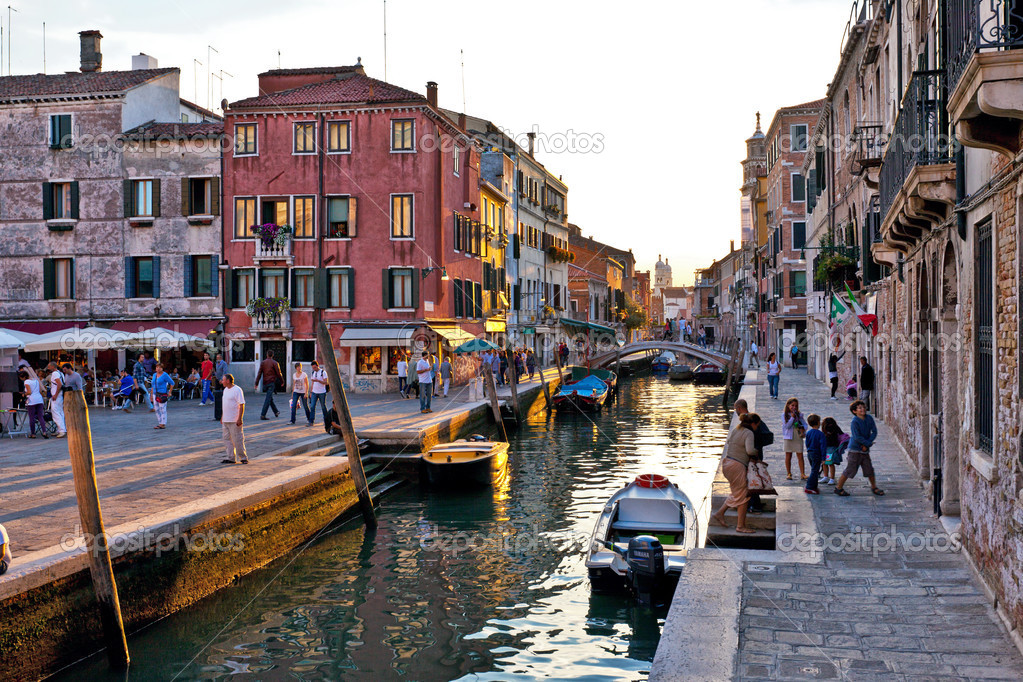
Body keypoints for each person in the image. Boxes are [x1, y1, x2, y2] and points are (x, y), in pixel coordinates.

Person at [709, 413, 761, 534]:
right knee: (744, 496)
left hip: (727, 464)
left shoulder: (736, 429)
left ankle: (720, 513)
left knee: (737, 492)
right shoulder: (749, 433)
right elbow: (749, 450)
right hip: (737, 466)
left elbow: (728, 443)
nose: (757, 427)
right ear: (753, 424)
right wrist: (756, 451)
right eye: (757, 425)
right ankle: (740, 526)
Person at [834, 400, 884, 497]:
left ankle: (874, 487)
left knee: (869, 468)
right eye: (860, 408)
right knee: (850, 469)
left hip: (865, 449)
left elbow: (874, 432)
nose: (863, 409)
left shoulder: (869, 418)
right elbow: (857, 437)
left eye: (863, 407)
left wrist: (867, 444)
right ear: (854, 411)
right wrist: (866, 444)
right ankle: (838, 488)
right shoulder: (855, 422)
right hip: (855, 450)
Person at [734, 398, 773, 514]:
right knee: (753, 479)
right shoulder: (753, 418)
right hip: (756, 453)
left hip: (750, 455)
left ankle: (754, 505)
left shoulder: (746, 421)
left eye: (735, 408)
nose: (735, 410)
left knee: (751, 480)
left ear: (739, 408)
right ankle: (753, 503)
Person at [220, 373, 248, 464]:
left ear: (228, 381)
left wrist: (240, 418)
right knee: (226, 439)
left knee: (237, 439)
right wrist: (222, 416)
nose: (222, 382)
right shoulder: (225, 390)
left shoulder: (237, 390)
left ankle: (243, 457)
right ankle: (231, 457)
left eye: (223, 380)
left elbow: (241, 404)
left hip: (234, 419)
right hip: (226, 419)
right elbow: (225, 405)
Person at [782, 397, 809, 480]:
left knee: (800, 455)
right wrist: (792, 418)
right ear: (788, 405)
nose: (794, 407)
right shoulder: (784, 415)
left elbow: (805, 424)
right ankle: (789, 473)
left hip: (797, 436)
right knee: (788, 455)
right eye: (792, 405)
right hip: (788, 436)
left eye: (796, 406)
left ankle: (802, 473)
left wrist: (803, 428)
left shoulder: (800, 415)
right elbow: (787, 426)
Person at [255, 350, 283, 419]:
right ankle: (263, 415)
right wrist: (282, 381)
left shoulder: (263, 363)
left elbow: (259, 373)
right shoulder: (275, 363)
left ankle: (276, 411)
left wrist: (256, 383)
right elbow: (279, 373)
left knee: (269, 398)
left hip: (265, 383)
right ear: (272, 355)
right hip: (271, 382)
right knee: (268, 399)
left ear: (267, 355)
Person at [20, 369, 47, 439]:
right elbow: (39, 390)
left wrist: (24, 394)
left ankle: (33, 433)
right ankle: (44, 431)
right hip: (39, 399)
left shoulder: (26, 382)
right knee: (40, 416)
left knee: (32, 417)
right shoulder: (35, 380)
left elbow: (29, 392)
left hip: (32, 401)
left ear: (23, 377)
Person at [803, 414, 826, 494]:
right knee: (815, 471)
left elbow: (807, 443)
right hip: (817, 453)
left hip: (810, 453)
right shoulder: (820, 434)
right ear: (818, 423)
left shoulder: (809, 433)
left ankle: (814, 486)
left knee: (814, 469)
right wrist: (823, 458)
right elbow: (823, 447)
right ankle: (809, 486)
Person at [821, 417, 847, 486]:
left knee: (830, 463)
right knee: (824, 463)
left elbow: (841, 435)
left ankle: (831, 478)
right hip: (826, 448)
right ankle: (826, 476)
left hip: (831, 448)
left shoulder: (835, 429)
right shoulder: (825, 429)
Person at [45, 363, 66, 438]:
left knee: (55, 412)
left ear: (53, 367)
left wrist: (55, 395)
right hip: (60, 395)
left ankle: (61, 430)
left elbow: (59, 384)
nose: (48, 368)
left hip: (56, 396)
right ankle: (60, 429)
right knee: (60, 412)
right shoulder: (61, 373)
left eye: (49, 366)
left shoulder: (54, 374)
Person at [151, 363, 174, 429]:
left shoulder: (165, 375)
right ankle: (160, 422)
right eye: (157, 367)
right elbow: (153, 385)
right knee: (156, 409)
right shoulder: (154, 375)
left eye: (159, 367)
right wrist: (151, 395)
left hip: (162, 393)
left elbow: (172, 383)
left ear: (162, 368)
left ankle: (163, 423)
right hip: (155, 393)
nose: (158, 369)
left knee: (162, 409)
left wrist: (169, 392)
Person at [213, 352, 228, 421]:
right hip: (217, 379)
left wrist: (222, 379)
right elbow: (217, 371)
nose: (217, 359)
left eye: (218, 358)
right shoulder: (217, 363)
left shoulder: (224, 363)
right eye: (217, 358)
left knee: (224, 391)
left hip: (222, 380)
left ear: (221, 358)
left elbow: (225, 372)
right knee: (217, 392)